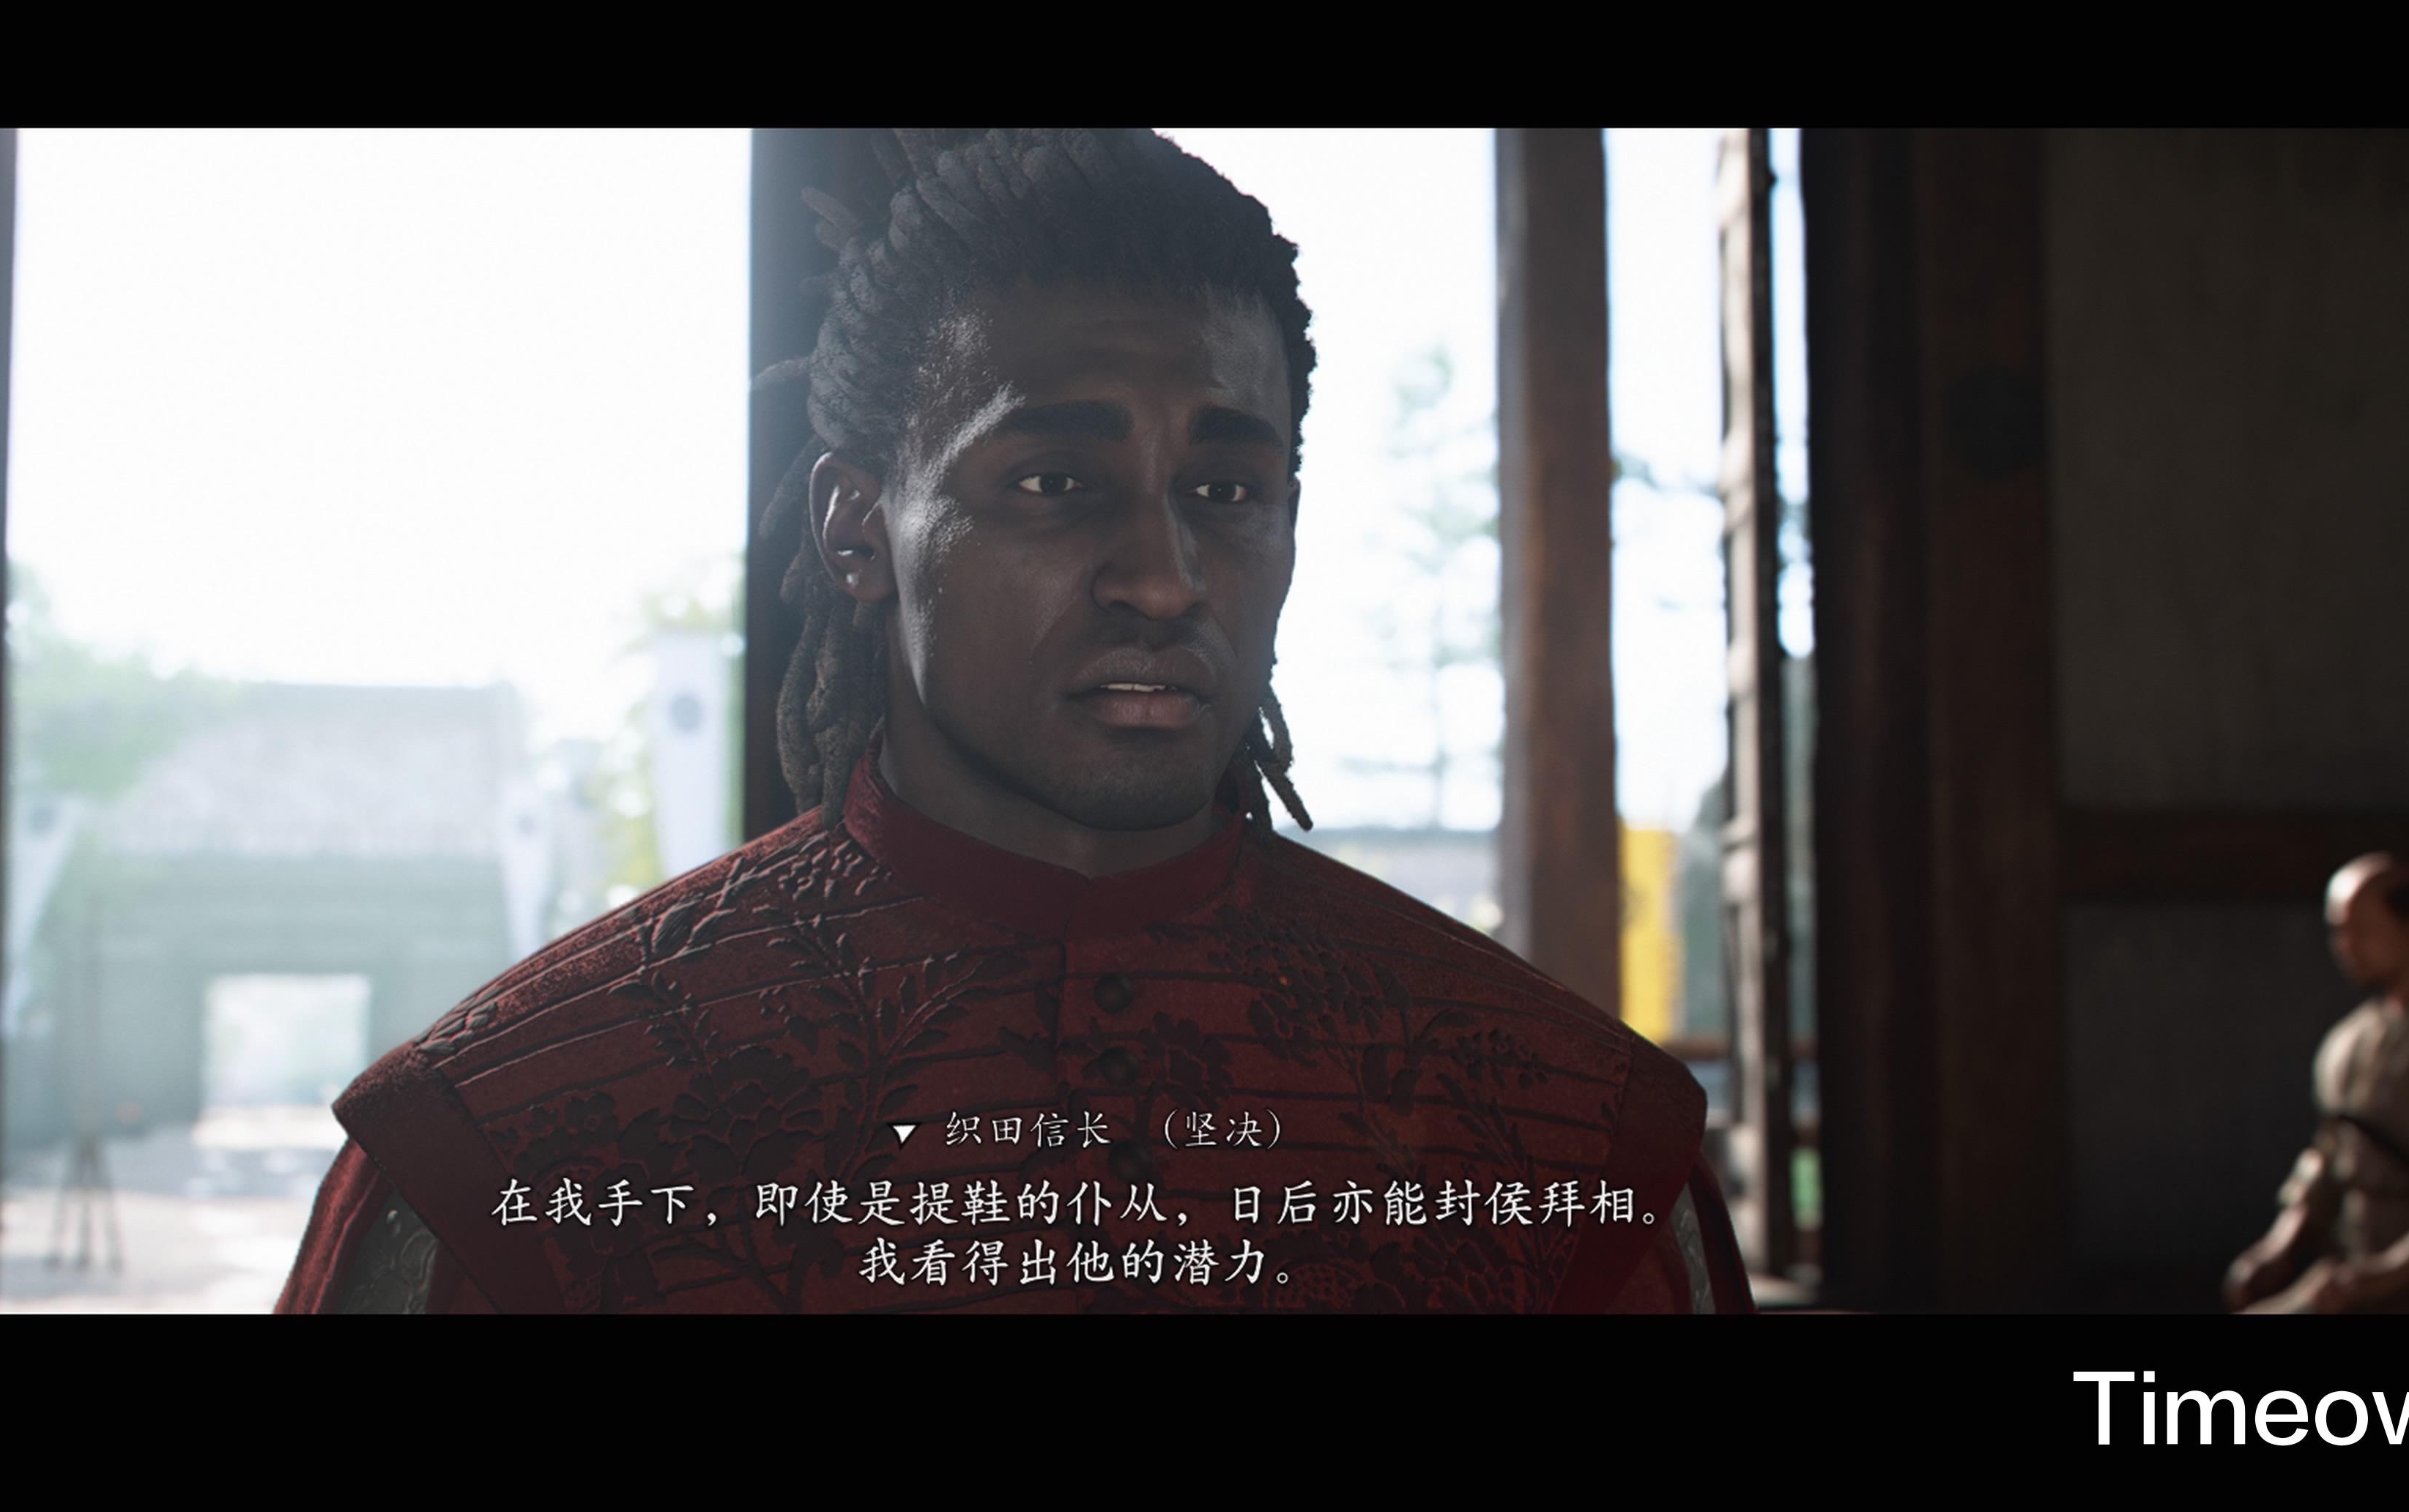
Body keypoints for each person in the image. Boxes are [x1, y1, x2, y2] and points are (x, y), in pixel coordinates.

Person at [276, 128, 1755, 1314]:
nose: (1165, 576)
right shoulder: (510, 1141)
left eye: (1226, 491)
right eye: (1054, 483)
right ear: (858, 527)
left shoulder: (1569, 1140)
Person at [2227, 854, 2409, 1314]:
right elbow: (2333, 1149)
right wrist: (2282, 1243)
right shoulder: (2353, 1041)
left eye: (2362, 929)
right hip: (2358, 1265)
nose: (2347, 944)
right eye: (2338, 930)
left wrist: (2385, 1274)